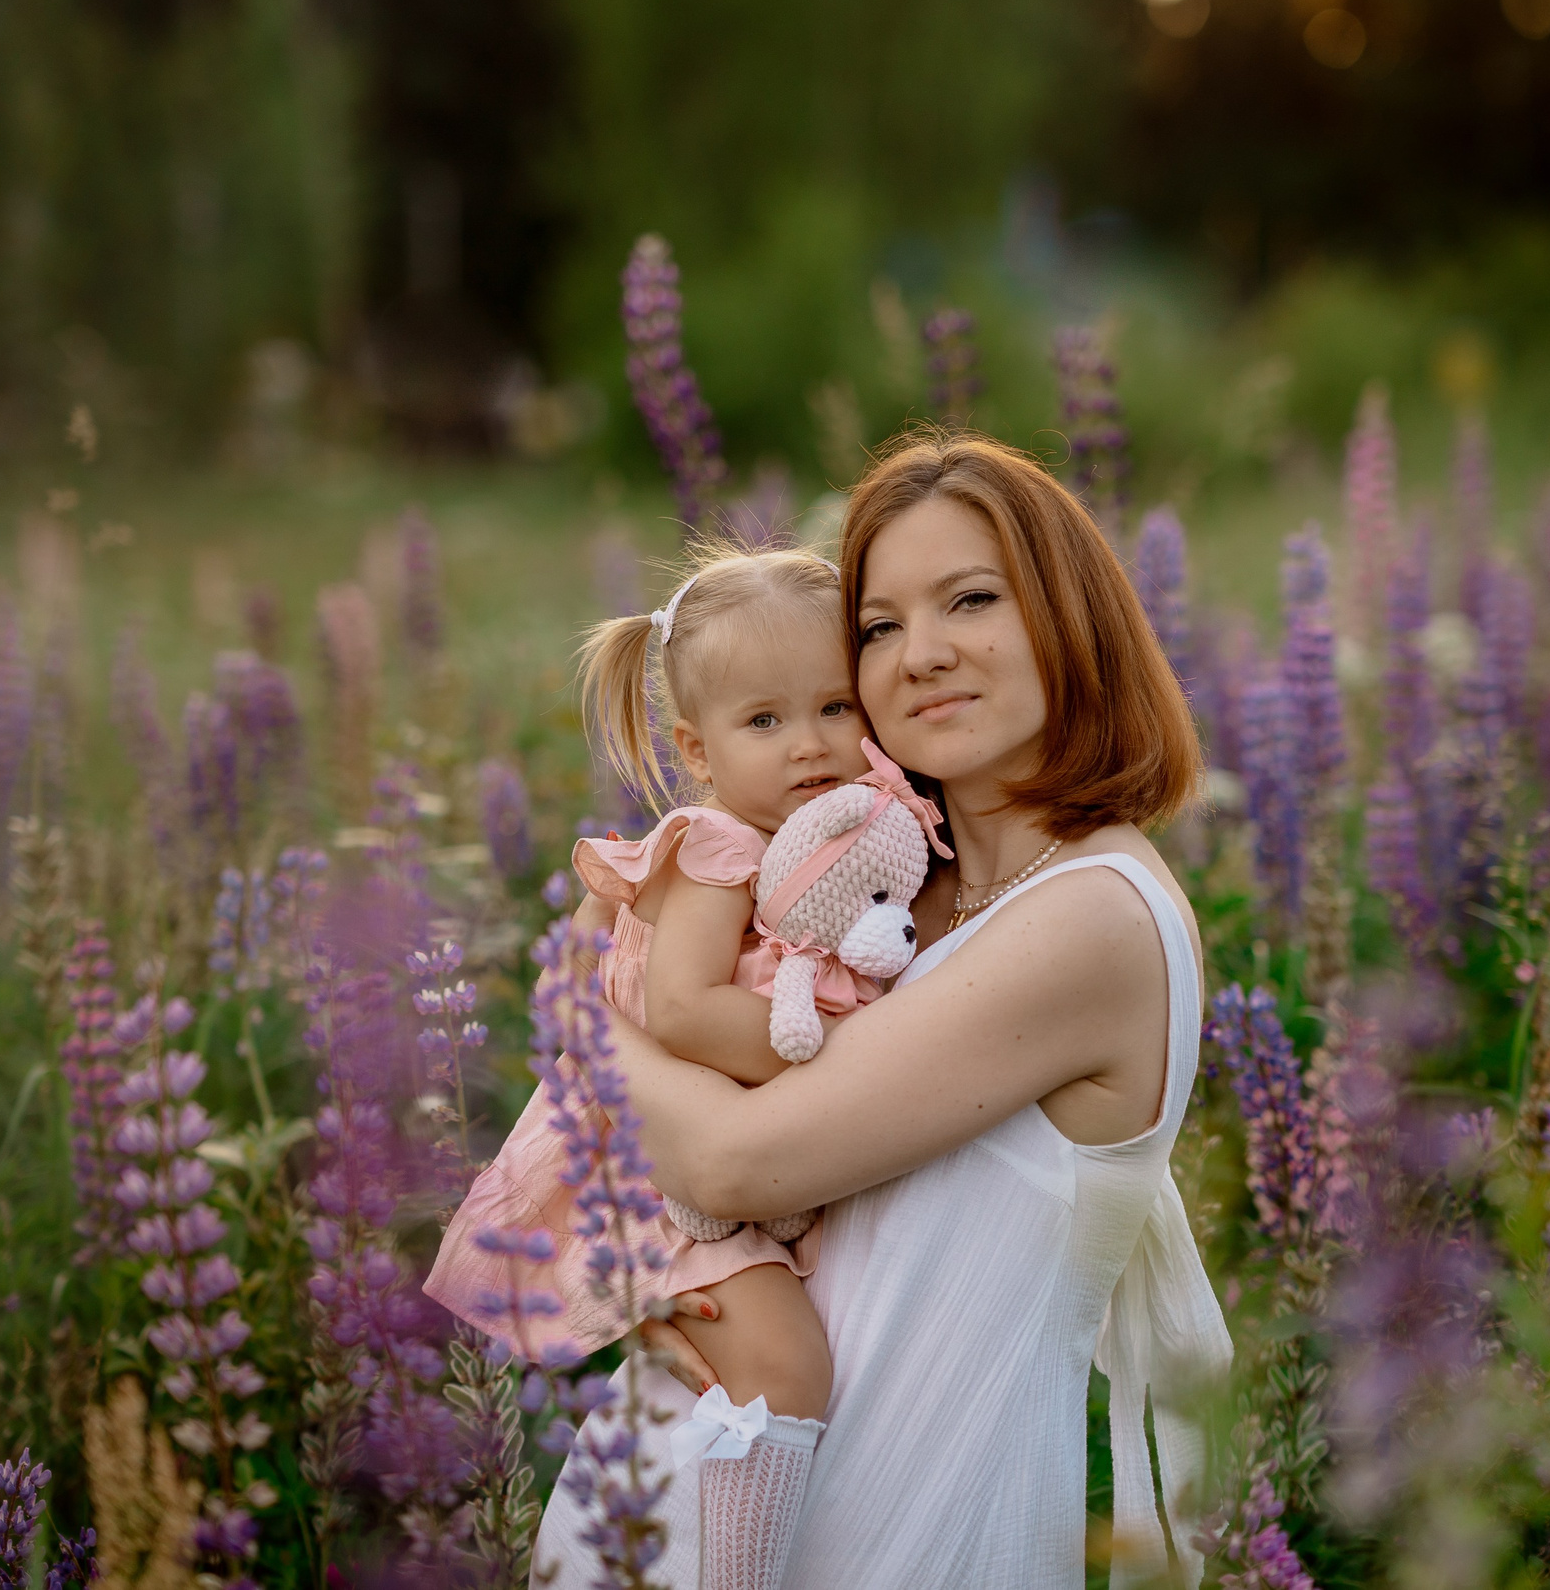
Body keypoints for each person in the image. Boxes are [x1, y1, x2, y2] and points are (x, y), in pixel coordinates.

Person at [532, 431, 1233, 1590]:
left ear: (1071, 616)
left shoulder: (1094, 915)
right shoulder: (896, 888)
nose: (922, 655)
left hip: (911, 1533)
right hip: (684, 1496)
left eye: (970, 599)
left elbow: (736, 1167)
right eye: (878, 626)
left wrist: (572, 1009)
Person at [430, 543, 904, 1586]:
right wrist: (840, 1053)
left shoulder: (836, 840)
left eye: (835, 708)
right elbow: (682, 1011)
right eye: (765, 721)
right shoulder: (719, 850)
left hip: (716, 1157)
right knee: (783, 1365)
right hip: (662, 1177)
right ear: (697, 747)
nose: (812, 745)